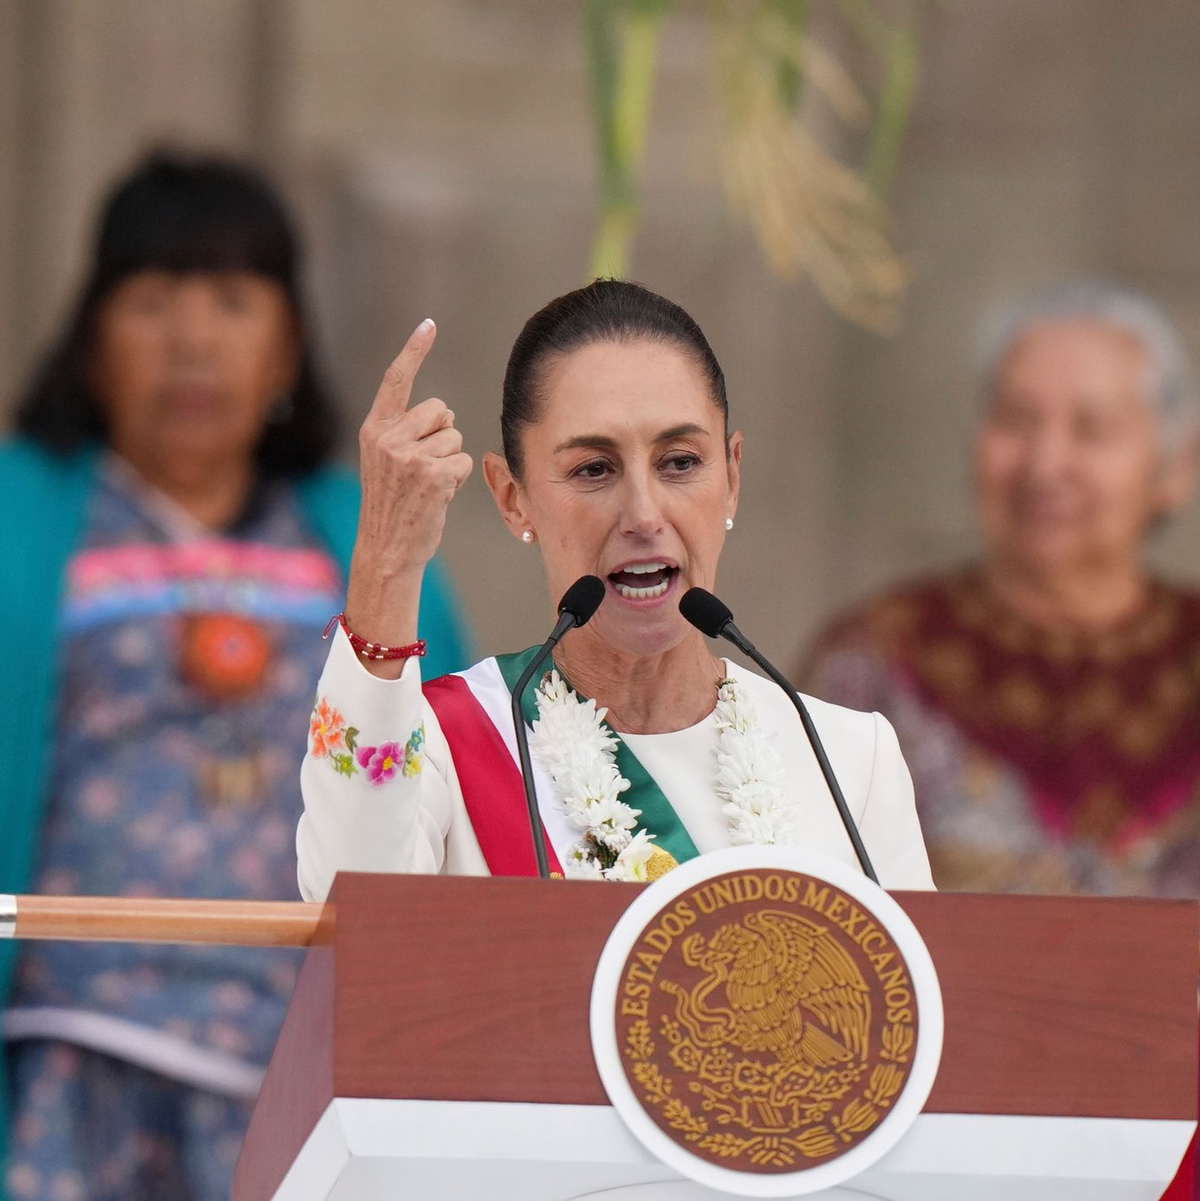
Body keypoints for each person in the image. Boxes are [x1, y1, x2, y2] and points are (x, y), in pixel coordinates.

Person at [0, 151, 470, 1200]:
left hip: (311, 1066)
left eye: (230, 299)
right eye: (153, 298)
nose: (192, 339)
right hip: (71, 1046)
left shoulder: (361, 528)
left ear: (288, 346)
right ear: (90, 339)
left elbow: (454, 763)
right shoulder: (15, 516)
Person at [297, 280, 932, 901]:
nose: (644, 514)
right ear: (512, 499)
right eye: (593, 469)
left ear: (733, 478)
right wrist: (386, 563)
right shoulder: (446, 743)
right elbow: (344, 907)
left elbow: (920, 997)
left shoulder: (850, 759)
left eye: (680, 462)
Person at [799, 282, 1200, 897]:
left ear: (1176, 466)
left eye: (1091, 429)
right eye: (1015, 420)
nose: (1044, 465)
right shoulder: (875, 657)